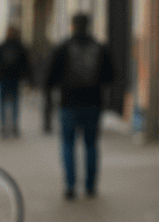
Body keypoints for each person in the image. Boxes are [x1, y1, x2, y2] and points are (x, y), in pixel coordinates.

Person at [45, 13, 114, 200]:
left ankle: (70, 185)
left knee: (68, 144)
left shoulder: (63, 48)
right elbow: (111, 76)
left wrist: (49, 106)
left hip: (69, 103)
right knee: (91, 145)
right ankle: (91, 187)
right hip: (93, 102)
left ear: (73, 26)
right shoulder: (100, 48)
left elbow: (49, 77)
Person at [0, 26, 31, 139]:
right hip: (14, 79)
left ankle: (5, 126)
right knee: (14, 103)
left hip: (5, 78)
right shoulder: (20, 46)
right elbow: (26, 63)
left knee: (4, 103)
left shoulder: (3, 46)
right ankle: (13, 126)